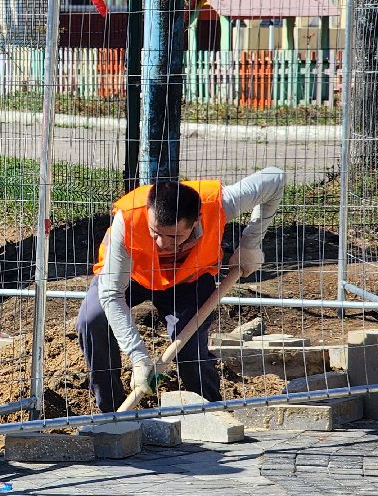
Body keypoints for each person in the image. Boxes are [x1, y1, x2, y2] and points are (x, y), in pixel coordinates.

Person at [77, 168, 285, 413]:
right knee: (92, 320)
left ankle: (208, 411)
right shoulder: (129, 218)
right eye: (155, 233)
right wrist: (139, 357)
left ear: (196, 221)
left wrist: (250, 243)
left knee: (189, 347)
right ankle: (111, 414)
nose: (162, 244)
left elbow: (275, 178)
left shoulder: (219, 204)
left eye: (175, 236)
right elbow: (111, 294)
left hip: (189, 279)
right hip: (134, 275)